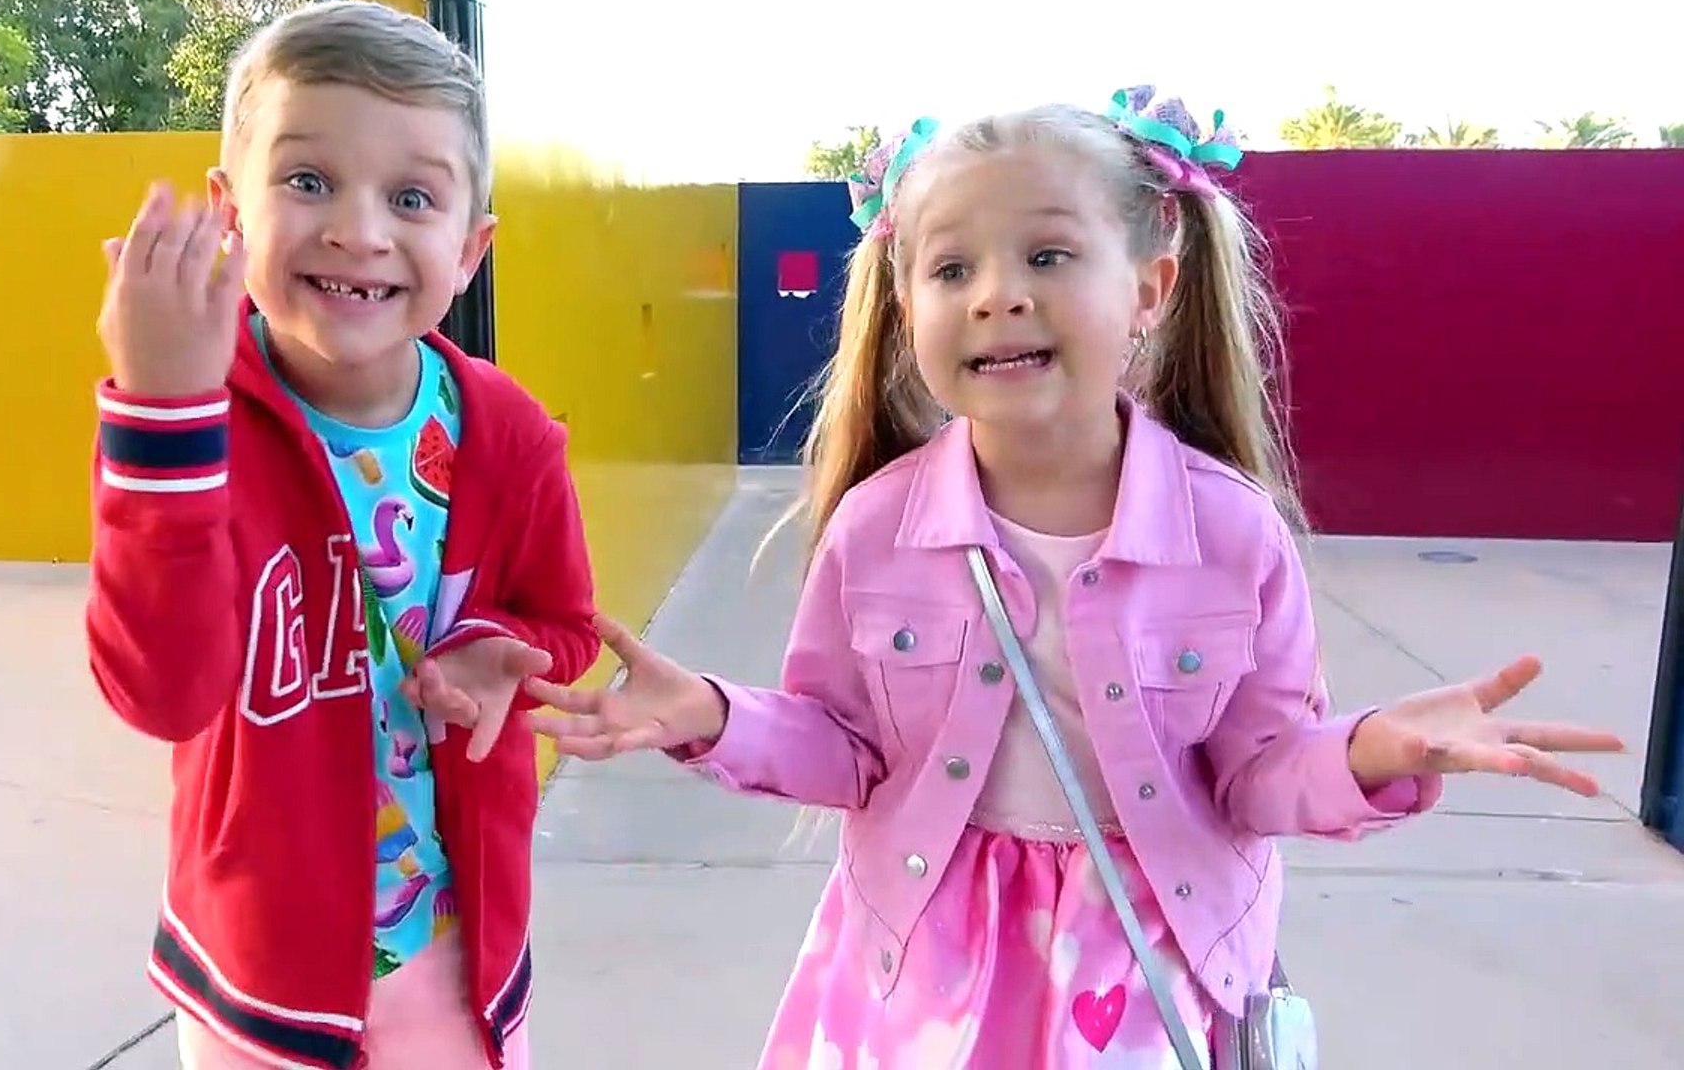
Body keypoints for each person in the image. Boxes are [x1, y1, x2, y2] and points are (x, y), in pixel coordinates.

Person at [522, 89, 1627, 1068]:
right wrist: (713, 717)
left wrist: (1374, 751)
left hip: (1154, 968)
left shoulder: (1231, 534)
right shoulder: (876, 528)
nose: (998, 295)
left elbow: (1256, 777)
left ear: (1150, 288)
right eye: (952, 268)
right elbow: (846, 748)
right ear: (908, 309)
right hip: (925, 967)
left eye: (1048, 256)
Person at [85, 1, 598, 1069]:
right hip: (255, 976)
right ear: (229, 210)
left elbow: (567, 626)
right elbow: (161, 694)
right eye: (309, 179)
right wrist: (163, 416)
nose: (359, 232)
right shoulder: (185, 424)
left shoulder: (510, 438)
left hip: (457, 958)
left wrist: (506, 652)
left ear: (471, 248)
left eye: (412, 197)